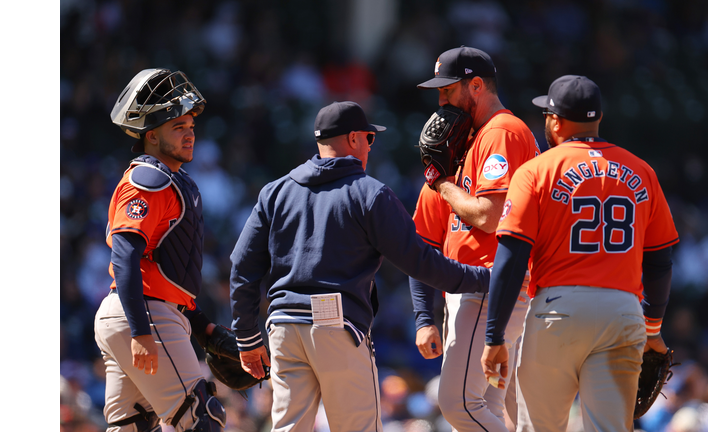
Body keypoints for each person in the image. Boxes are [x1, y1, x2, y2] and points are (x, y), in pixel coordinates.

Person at [229, 101, 492, 432]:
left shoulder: (275, 191)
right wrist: (486, 278)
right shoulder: (369, 193)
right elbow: (420, 261)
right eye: (369, 138)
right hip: (333, 321)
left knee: (288, 428)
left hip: (282, 326)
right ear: (354, 138)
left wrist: (247, 336)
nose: (370, 145)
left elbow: (242, 265)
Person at [481, 75, 679, 432]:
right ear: (598, 119)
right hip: (622, 312)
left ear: (555, 121)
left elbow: (510, 259)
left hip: (558, 310)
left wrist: (494, 336)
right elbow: (660, 261)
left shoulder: (536, 170)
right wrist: (652, 328)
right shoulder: (642, 170)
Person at [409, 46, 540, 431]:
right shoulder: (467, 142)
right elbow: (424, 243)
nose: (440, 101)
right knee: (486, 409)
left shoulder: (501, 131)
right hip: (472, 289)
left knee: (458, 404)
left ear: (477, 85)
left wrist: (444, 184)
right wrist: (423, 316)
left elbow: (490, 215)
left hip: (488, 283)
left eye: (448, 90)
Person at [94, 68, 227, 432]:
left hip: (138, 311)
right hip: (142, 314)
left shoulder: (172, 180)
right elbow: (124, 255)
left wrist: (203, 328)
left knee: (133, 427)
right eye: (177, 127)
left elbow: (166, 270)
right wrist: (140, 332)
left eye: (191, 127)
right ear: (151, 136)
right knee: (202, 418)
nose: (189, 134)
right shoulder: (148, 179)